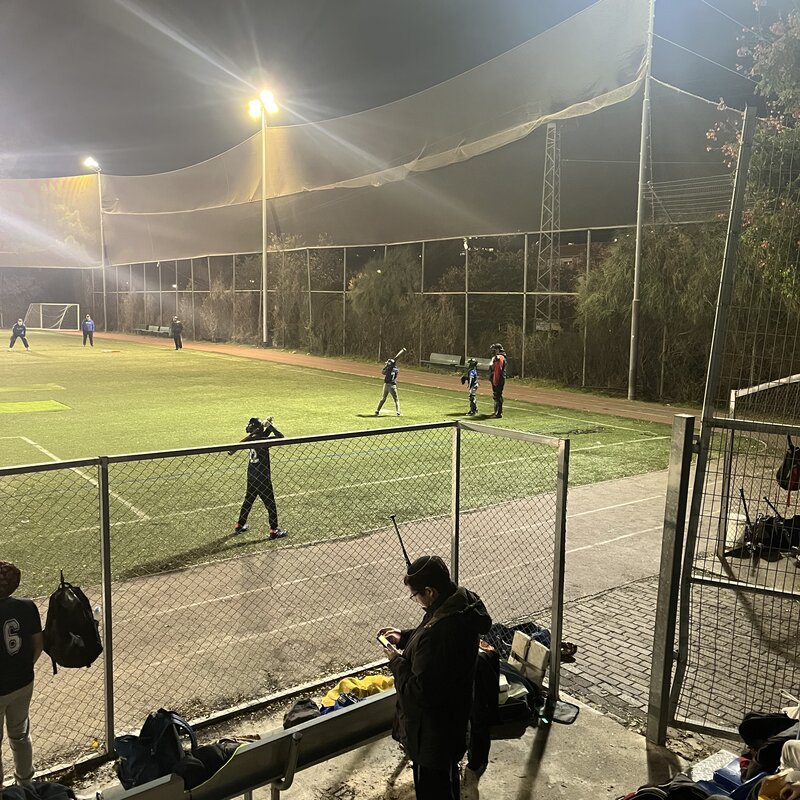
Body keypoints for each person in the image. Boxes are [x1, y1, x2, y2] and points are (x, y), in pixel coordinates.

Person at [378, 555, 491, 800]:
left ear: (429, 591)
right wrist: (405, 636)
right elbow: (430, 636)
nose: (416, 600)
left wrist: (395, 661)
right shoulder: (461, 602)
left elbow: (419, 692)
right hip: (455, 719)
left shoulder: (438, 633)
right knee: (446, 779)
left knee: (433, 789)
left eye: (415, 594)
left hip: (432, 734)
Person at [0, 561, 43, 786]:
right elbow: (38, 644)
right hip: (23, 681)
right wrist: (25, 667)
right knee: (20, 735)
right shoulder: (27, 606)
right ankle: (25, 784)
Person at [230, 417, 288, 540]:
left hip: (251, 476)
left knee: (248, 501)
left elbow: (263, 437)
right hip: (263, 478)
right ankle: (274, 530)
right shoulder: (262, 440)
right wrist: (271, 427)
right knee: (270, 504)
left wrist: (267, 427)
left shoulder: (253, 439)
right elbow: (280, 437)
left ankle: (240, 524)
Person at [489, 343, 507, 418]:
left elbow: (498, 370)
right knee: (496, 395)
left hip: (499, 378)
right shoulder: (497, 357)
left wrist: (495, 380)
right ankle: (496, 411)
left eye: (494, 349)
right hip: (497, 378)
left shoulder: (500, 357)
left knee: (498, 395)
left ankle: (499, 413)